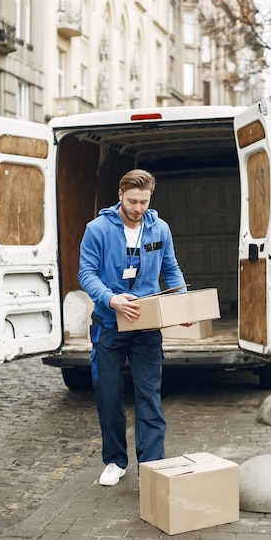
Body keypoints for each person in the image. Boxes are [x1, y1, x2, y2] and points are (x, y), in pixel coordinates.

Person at [78, 169, 187, 486]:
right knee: (108, 395)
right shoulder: (97, 229)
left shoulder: (159, 229)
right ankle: (115, 460)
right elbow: (86, 274)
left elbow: (171, 268)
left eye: (144, 201)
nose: (138, 208)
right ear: (120, 195)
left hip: (147, 326)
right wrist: (111, 299)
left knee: (149, 396)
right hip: (109, 325)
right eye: (132, 201)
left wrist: (181, 302)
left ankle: (152, 465)